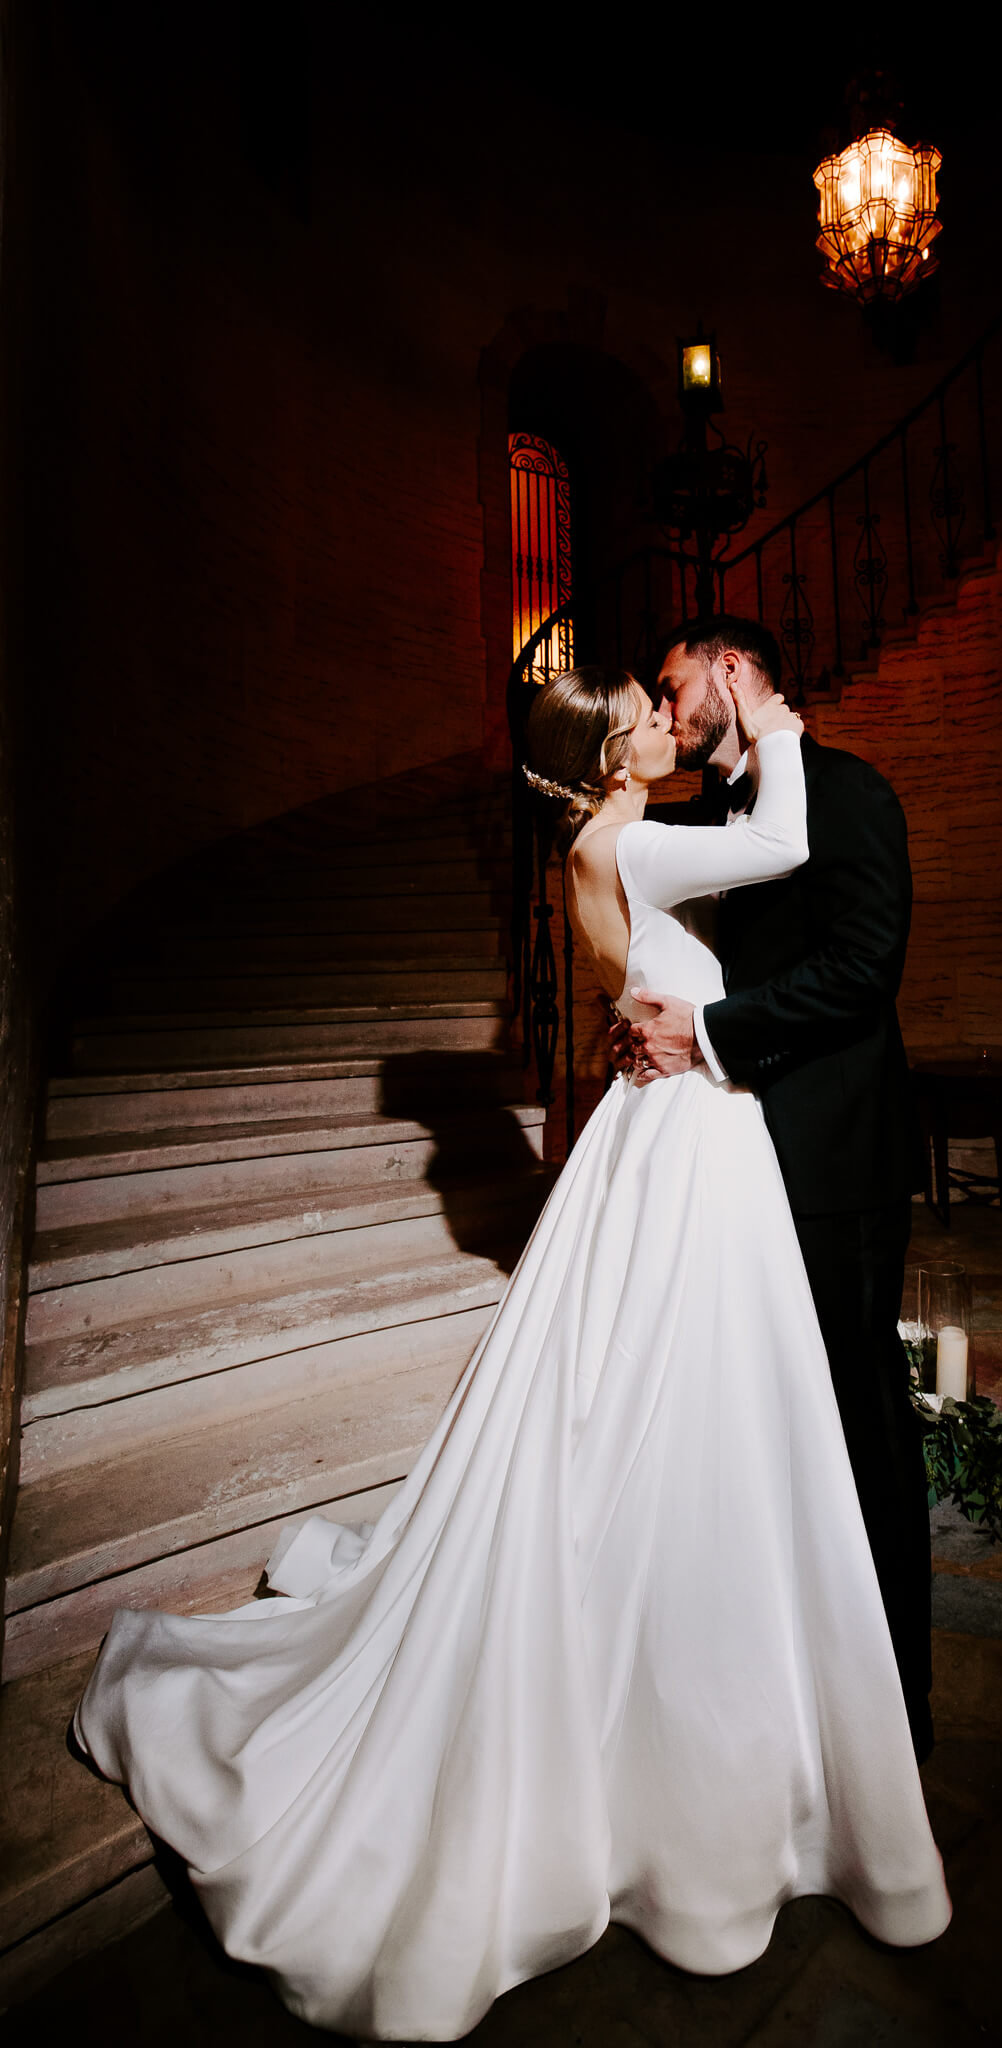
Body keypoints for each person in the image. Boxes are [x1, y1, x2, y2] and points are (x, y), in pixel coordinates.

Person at [73, 663, 949, 2044]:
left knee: (679, 1409)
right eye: (645, 715)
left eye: (670, 707)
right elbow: (779, 845)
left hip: (681, 1131)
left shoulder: (608, 843)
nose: (670, 723)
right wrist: (775, 727)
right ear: (606, 751)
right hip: (687, 1145)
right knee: (672, 1409)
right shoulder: (632, 835)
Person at [627, 615, 934, 1759]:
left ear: (734, 671)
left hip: (833, 1162)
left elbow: (862, 970)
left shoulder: (848, 792)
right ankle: (779, 1685)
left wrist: (705, 1030)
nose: (669, 709)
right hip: (733, 1173)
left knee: (856, 1413)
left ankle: (896, 1707)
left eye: (676, 685)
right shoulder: (709, 816)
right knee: (762, 1428)